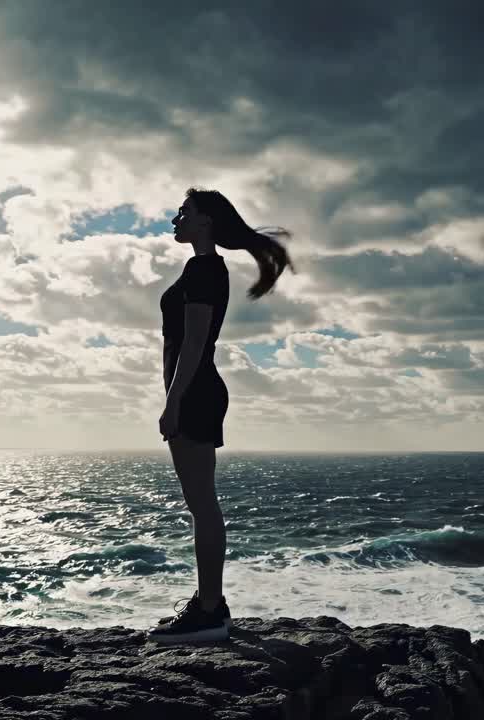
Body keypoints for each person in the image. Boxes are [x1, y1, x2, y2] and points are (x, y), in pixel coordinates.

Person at [147, 188, 294, 644]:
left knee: (202, 506)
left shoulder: (204, 268)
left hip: (194, 393)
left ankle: (210, 610)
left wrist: (172, 403)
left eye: (184, 212)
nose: (176, 218)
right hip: (196, 391)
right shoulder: (206, 268)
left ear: (206, 220)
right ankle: (210, 603)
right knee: (201, 505)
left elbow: (193, 344)